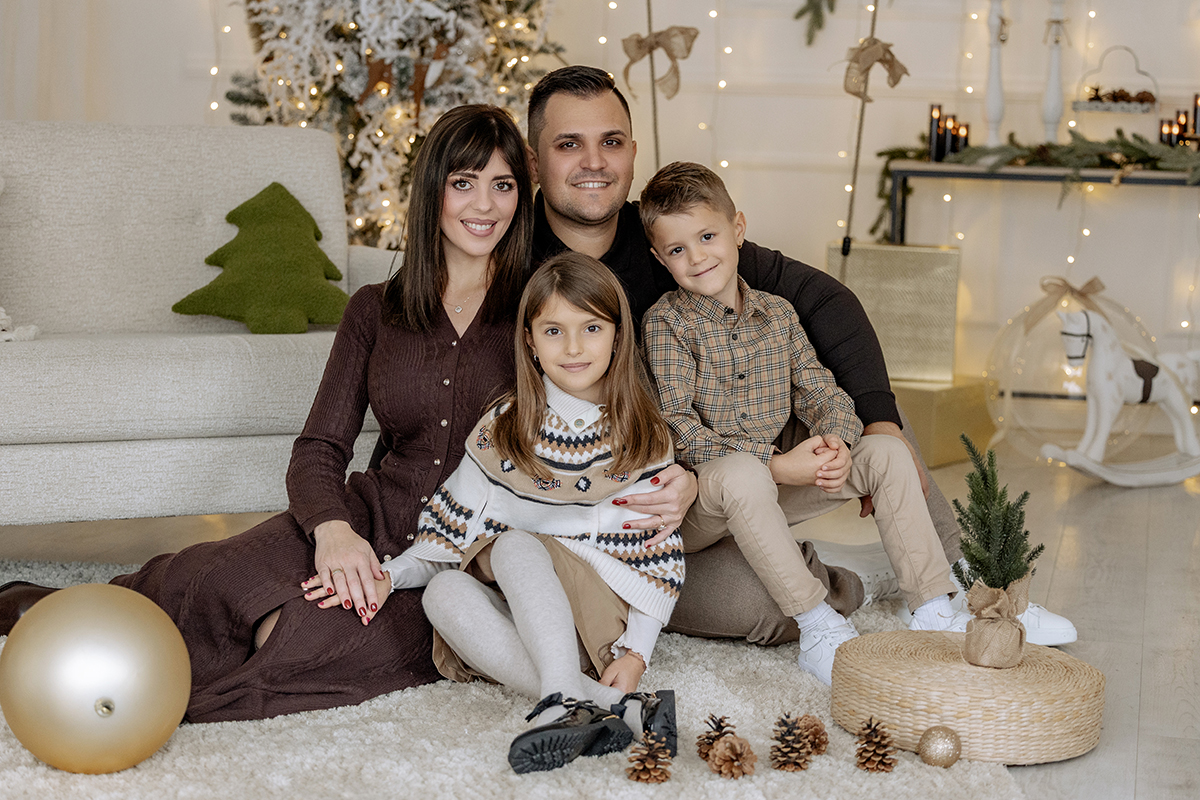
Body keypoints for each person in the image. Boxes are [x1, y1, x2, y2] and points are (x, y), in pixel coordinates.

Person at [0, 104, 535, 721]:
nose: (485, 206)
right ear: (433, 192)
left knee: (293, 638)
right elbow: (319, 448)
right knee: (224, 581)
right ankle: (67, 609)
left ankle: (149, 688)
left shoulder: (541, 308)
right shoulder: (374, 308)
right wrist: (335, 532)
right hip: (368, 514)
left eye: (504, 184)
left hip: (456, 560)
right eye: (463, 183)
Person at [523, 65, 1077, 647]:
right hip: (640, 506)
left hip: (742, 451)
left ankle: (983, 593)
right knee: (760, 608)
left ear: (632, 152)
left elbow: (826, 299)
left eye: (610, 142)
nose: (594, 162)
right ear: (536, 162)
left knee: (878, 426)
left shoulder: (670, 233)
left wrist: (873, 423)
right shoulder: (520, 261)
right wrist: (682, 476)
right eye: (569, 144)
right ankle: (862, 572)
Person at [343, 252, 681, 774]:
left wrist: (636, 652)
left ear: (618, 335)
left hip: (600, 620)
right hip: (533, 624)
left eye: (591, 327)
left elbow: (657, 555)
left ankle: (574, 697)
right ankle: (601, 705)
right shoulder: (502, 428)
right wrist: (391, 575)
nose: (573, 348)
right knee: (444, 591)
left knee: (515, 542)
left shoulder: (640, 432)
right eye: (553, 330)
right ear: (529, 340)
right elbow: (450, 537)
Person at [640, 162, 972, 684]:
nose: (698, 256)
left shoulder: (778, 314)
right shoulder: (665, 324)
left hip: (775, 481)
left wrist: (836, 440)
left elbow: (820, 390)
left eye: (708, 236)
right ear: (660, 258)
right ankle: (818, 625)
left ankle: (931, 605)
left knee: (884, 452)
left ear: (739, 229)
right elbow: (677, 426)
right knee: (744, 475)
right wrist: (776, 466)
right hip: (702, 502)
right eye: (678, 249)